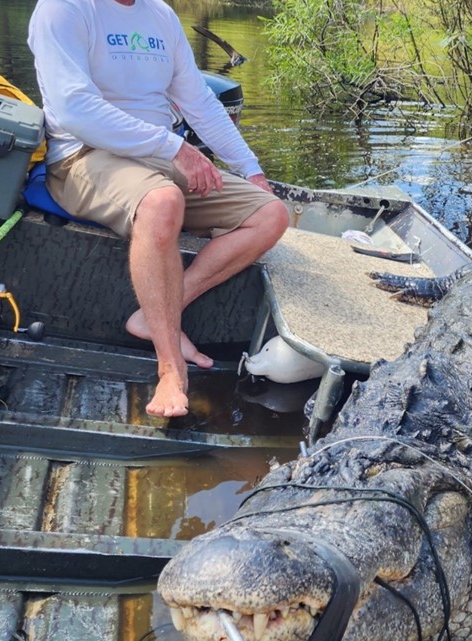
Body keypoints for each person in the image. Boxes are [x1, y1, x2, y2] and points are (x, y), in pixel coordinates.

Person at [27, 0, 290, 418]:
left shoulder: (161, 15)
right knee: (164, 201)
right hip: (83, 156)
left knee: (272, 214)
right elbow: (74, 110)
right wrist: (175, 147)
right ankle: (170, 368)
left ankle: (156, 316)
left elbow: (199, 103)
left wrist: (252, 171)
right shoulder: (64, 8)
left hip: (158, 153)